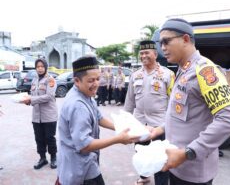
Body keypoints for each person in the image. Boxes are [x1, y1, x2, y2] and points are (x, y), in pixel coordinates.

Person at [149, 18, 230, 185]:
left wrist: (188, 152)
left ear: (185, 39)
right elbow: (182, 113)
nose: (162, 48)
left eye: (166, 41)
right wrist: (160, 129)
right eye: (160, 43)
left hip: (193, 170)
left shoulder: (204, 70)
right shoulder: (183, 69)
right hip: (177, 166)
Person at [57, 55, 139, 185]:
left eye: (98, 79)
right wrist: (118, 139)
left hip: (86, 162)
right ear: (77, 81)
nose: (96, 84)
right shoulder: (78, 105)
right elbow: (84, 146)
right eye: (91, 80)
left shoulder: (85, 94)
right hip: (80, 167)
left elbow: (98, 117)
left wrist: (119, 128)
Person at [124, 40, 175, 185]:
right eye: (141, 53)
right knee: (141, 153)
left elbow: (173, 102)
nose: (143, 56)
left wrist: (170, 123)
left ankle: (161, 183)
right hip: (140, 123)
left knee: (160, 156)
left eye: (146, 53)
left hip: (160, 124)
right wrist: (126, 121)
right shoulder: (136, 75)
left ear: (155, 54)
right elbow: (129, 101)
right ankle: (144, 177)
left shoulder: (167, 74)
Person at [21, 58, 58, 170]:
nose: (40, 68)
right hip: (36, 117)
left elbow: (49, 96)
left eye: (42, 66)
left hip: (49, 116)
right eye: (38, 67)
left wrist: (31, 99)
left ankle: (53, 158)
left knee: (49, 138)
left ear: (45, 67)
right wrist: (27, 101)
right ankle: (42, 158)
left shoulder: (50, 80)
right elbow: (33, 97)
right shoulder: (34, 80)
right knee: (39, 138)